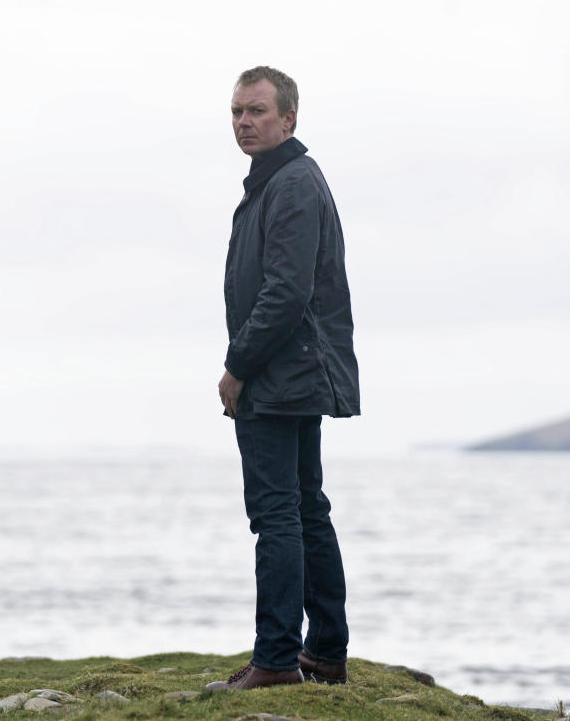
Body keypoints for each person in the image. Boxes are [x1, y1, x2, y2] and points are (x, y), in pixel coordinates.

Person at [207, 66, 360, 692]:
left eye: (258, 111)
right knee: (303, 510)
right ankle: (322, 654)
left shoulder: (292, 183)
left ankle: (276, 660)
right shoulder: (278, 180)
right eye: (237, 112)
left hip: (282, 373)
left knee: (278, 514)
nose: (245, 122)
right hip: (295, 370)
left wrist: (238, 366)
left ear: (288, 118)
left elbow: (285, 292)